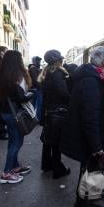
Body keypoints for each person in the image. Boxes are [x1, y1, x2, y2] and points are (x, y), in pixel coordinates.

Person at [61, 46, 104, 207]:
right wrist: (96, 146)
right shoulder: (91, 81)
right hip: (92, 133)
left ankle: (100, 190)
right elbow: (90, 116)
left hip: (97, 131)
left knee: (96, 165)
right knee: (89, 166)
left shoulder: (94, 76)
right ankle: (82, 203)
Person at [0, 50, 33, 184]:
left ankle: (15, 167)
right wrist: (29, 95)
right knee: (17, 142)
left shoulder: (2, 74)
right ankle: (7, 173)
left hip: (6, 112)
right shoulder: (13, 77)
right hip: (13, 113)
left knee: (13, 141)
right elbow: (20, 97)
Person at [38, 49, 70, 179]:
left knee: (48, 140)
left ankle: (47, 165)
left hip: (48, 111)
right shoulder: (57, 73)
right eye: (60, 59)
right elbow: (62, 93)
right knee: (56, 142)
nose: (62, 60)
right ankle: (58, 170)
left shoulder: (46, 73)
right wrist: (72, 99)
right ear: (57, 61)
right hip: (57, 112)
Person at [28, 56, 43, 120]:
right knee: (38, 104)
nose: (39, 62)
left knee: (33, 104)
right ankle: (38, 118)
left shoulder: (34, 68)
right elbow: (36, 80)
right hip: (36, 89)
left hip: (34, 88)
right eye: (38, 60)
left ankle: (32, 118)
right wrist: (41, 87)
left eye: (39, 60)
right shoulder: (33, 68)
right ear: (34, 61)